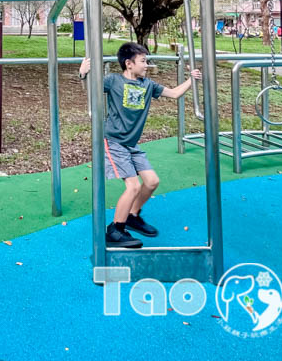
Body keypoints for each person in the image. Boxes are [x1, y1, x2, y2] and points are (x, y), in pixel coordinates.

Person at [79, 42, 201, 249]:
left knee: (152, 181)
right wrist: (83, 74)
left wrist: (191, 80)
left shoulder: (148, 85)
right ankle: (115, 230)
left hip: (132, 144)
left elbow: (173, 93)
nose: (147, 65)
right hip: (114, 141)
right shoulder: (113, 81)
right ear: (129, 64)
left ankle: (133, 215)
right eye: (143, 61)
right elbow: (91, 93)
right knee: (133, 186)